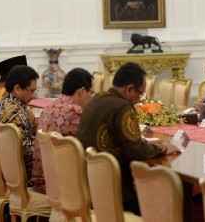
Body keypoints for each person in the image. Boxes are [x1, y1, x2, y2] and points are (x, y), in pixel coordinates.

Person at [76, 62, 179, 215]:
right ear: (129, 89)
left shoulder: (96, 98)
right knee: (162, 204)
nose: (140, 99)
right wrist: (164, 148)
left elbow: (119, 140)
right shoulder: (122, 106)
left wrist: (145, 142)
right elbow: (134, 151)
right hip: (114, 192)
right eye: (141, 93)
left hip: (89, 185)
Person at [31, 68, 93, 193]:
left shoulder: (48, 108)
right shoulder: (75, 111)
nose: (92, 98)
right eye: (91, 93)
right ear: (82, 91)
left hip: (41, 181)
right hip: (60, 187)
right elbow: (92, 143)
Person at [0, 65, 39, 184]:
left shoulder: (1, 102)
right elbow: (25, 151)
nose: (33, 96)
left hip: (0, 166)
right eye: (31, 91)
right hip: (16, 174)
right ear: (17, 89)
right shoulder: (15, 113)